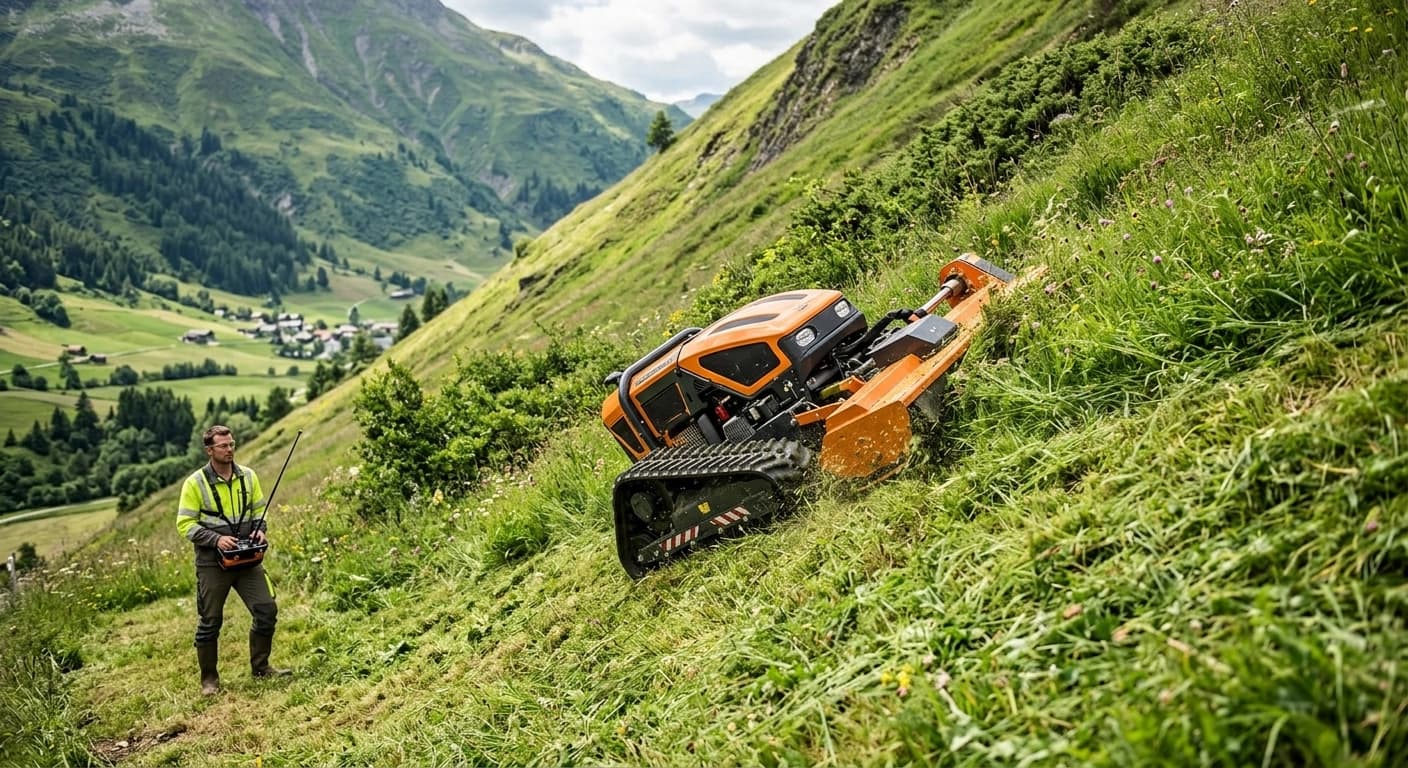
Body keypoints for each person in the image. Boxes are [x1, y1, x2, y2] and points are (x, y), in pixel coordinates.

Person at [176, 425, 289, 695]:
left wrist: (261, 528)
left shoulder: (249, 476)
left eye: (232, 444)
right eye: (223, 446)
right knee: (210, 620)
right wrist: (216, 540)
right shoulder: (195, 483)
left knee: (266, 610)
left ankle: (261, 669)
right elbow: (184, 524)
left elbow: (260, 510)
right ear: (209, 450)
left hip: (248, 558)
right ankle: (209, 680)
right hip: (212, 562)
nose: (229, 450)